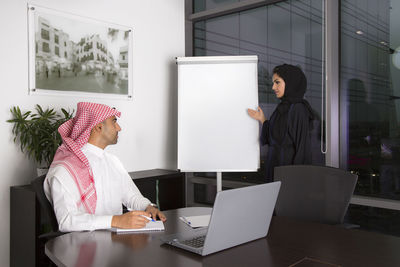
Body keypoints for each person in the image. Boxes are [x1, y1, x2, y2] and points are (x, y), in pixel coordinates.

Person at [44, 102, 166, 232]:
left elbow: (131, 196)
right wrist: (116, 221)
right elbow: (66, 221)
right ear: (98, 127)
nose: (119, 128)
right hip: (84, 246)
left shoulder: (113, 161)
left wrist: (148, 207)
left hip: (116, 240)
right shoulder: (65, 170)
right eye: (114, 122)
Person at [248, 64, 314, 182]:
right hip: (274, 169)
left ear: (290, 83)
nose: (273, 87)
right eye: (273, 83)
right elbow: (274, 139)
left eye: (277, 82)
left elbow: (302, 149)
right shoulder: (282, 108)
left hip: (289, 175)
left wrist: (297, 181)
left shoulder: (298, 109)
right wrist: (263, 119)